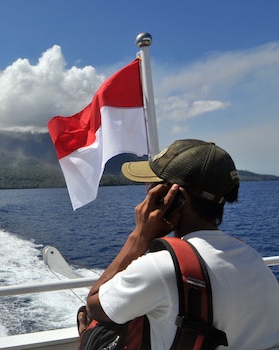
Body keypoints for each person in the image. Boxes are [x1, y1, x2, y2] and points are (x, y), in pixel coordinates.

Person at [80, 139, 279, 349]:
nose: (147, 195)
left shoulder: (161, 267)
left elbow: (94, 306)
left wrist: (140, 237)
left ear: (177, 198)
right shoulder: (253, 259)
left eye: (152, 188)